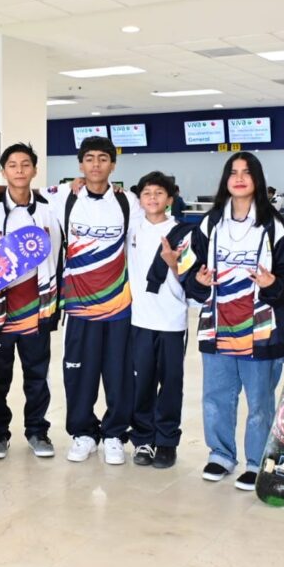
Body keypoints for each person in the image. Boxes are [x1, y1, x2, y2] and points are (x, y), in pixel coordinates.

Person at [185, 152, 284, 491]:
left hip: (261, 329)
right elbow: (190, 269)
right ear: (225, 180)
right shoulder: (210, 224)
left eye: (246, 172)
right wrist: (199, 281)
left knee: (260, 401)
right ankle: (220, 454)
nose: (239, 178)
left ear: (257, 179)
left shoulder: (273, 225)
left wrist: (273, 285)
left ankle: (257, 461)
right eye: (233, 172)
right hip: (218, 326)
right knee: (216, 396)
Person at [39, 136, 144, 465]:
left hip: (117, 307)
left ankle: (114, 433)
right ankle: (83, 432)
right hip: (79, 308)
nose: (96, 164)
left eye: (102, 158)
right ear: (80, 165)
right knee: (78, 374)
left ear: (113, 165)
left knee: (118, 373)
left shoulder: (130, 202)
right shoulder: (63, 198)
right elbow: (22, 196)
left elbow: (145, 245)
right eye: (89, 159)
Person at [0, 143, 62, 460]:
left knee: (37, 377)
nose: (19, 170)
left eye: (25, 164)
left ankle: (37, 431)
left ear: (34, 170)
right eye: (12, 165)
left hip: (37, 311)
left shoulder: (48, 210)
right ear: (3, 172)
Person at [127, 171, 196, 468]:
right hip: (140, 319)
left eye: (159, 193)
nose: (152, 198)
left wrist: (175, 264)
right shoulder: (133, 229)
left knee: (170, 384)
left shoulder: (185, 233)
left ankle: (167, 441)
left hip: (172, 321)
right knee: (141, 383)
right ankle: (143, 439)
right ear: (139, 199)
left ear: (170, 198)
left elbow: (192, 281)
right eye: (146, 193)